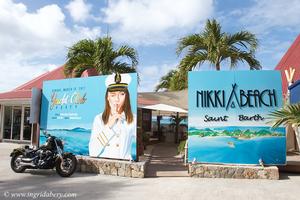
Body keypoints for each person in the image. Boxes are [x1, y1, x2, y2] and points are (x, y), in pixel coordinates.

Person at [89, 73, 136, 160]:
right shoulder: (99, 119)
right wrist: (109, 125)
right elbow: (92, 151)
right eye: (113, 95)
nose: (117, 99)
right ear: (108, 97)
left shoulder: (133, 118)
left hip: (125, 164)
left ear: (126, 97)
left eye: (122, 94)